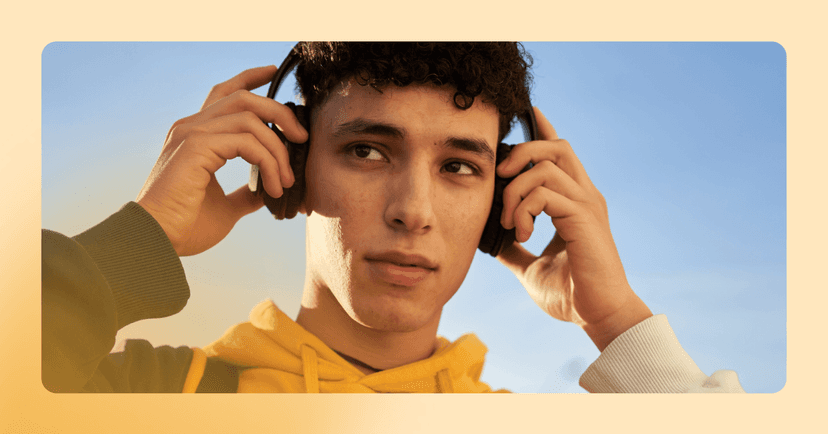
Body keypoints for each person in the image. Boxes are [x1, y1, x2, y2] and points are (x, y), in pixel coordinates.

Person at [42, 42, 745, 393]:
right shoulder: (149, 391)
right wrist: (138, 239)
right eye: (369, 151)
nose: (413, 211)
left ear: (502, 207)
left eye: (459, 166)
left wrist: (616, 319)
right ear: (288, 166)